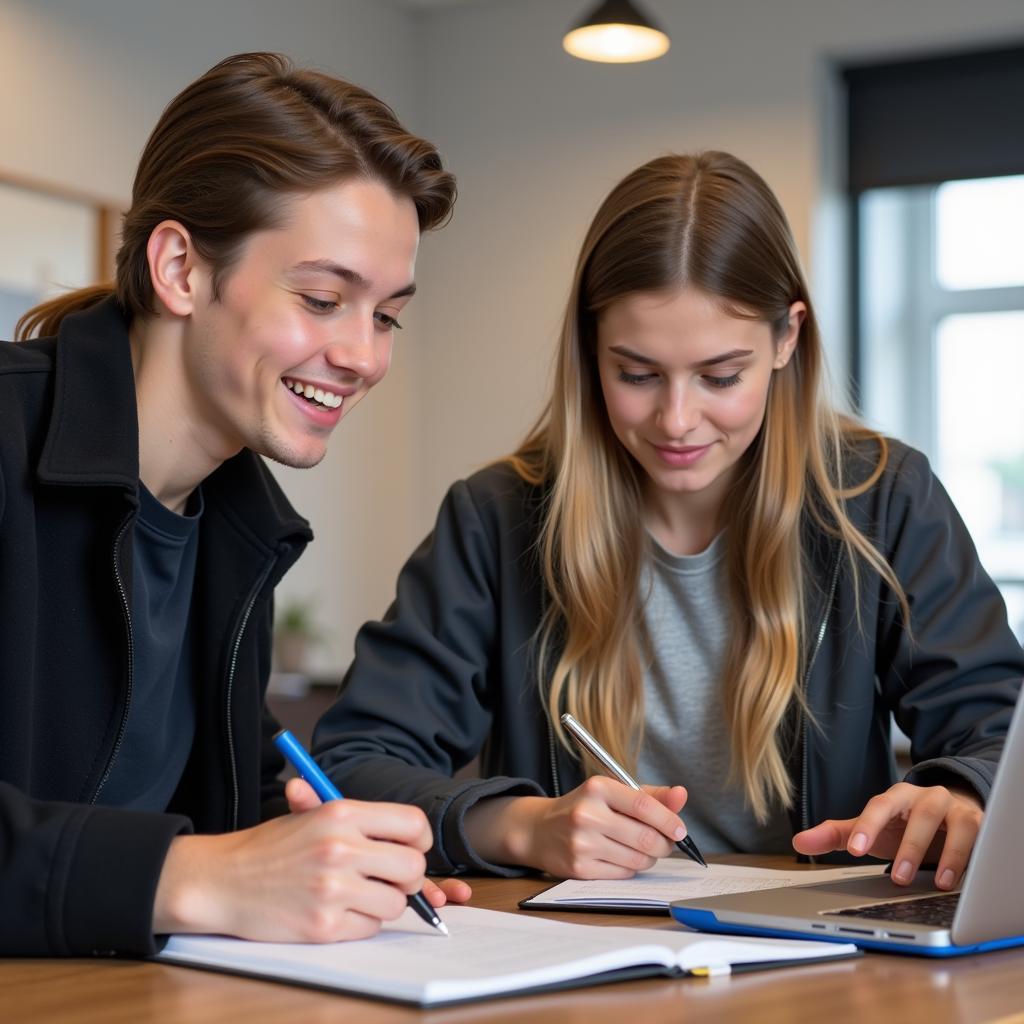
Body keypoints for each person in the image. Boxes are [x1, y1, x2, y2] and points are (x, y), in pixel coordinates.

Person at [314, 151, 1024, 895]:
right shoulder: (496, 519)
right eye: (637, 374)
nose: (677, 421)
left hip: (824, 957)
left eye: (721, 376)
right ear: (591, 354)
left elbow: (1000, 732)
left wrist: (967, 792)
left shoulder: (883, 500)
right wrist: (523, 826)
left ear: (787, 339)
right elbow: (354, 764)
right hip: (567, 958)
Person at [0, 51, 470, 959]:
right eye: (324, 298)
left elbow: (242, 797)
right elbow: (201, 863)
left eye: (385, 315)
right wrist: (197, 878)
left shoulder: (236, 526)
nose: (365, 357)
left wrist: (349, 864)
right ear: (179, 267)